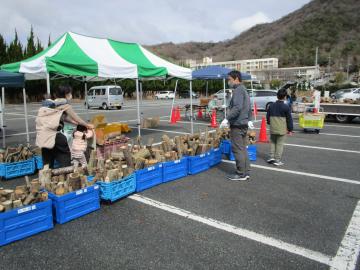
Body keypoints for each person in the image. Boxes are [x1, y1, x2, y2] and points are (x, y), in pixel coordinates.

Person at [36, 85, 94, 168]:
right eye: (70, 93)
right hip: (54, 135)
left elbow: (64, 118)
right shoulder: (65, 104)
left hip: (43, 136)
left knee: (48, 161)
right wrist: (87, 125)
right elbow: (76, 117)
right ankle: (66, 175)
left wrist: (76, 123)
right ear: (66, 94)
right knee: (65, 155)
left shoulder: (53, 103)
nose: (71, 95)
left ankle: (47, 178)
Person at [220, 70, 253, 181]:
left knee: (238, 149)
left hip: (237, 124)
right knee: (243, 149)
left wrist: (226, 118)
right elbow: (248, 107)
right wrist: (249, 119)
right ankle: (246, 171)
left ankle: (240, 173)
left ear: (236, 79)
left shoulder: (238, 90)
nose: (228, 81)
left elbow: (237, 108)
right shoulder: (244, 89)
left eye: (229, 79)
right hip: (243, 123)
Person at [266, 89, 294, 166]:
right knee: (279, 144)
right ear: (285, 97)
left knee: (272, 142)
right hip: (281, 128)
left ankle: (271, 157)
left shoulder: (271, 105)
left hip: (273, 127)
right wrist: (290, 129)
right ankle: (277, 160)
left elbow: (268, 117)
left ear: (277, 96)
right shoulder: (286, 107)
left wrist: (269, 123)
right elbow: (289, 119)